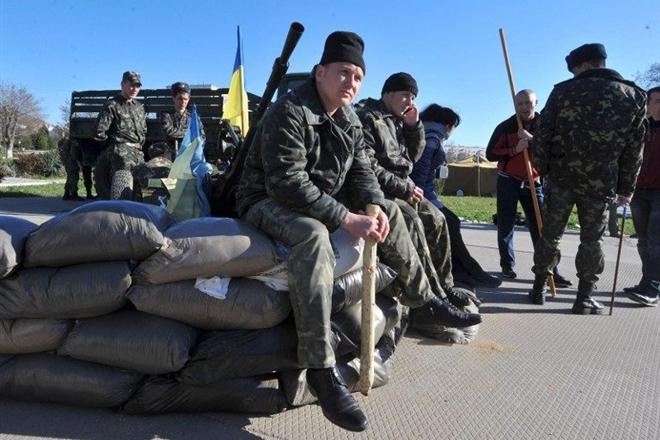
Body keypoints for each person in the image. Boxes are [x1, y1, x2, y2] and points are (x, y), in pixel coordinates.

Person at [236, 32, 480, 432]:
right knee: (313, 237)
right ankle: (319, 367)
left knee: (394, 213)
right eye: (343, 73)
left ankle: (424, 300)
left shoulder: (349, 119)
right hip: (266, 200)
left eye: (358, 77)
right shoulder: (290, 110)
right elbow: (287, 183)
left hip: (317, 198)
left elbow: (362, 172)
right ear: (320, 73)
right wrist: (347, 219)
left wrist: (374, 208)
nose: (350, 83)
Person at [529, 43, 647, 313]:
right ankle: (583, 298)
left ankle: (538, 289)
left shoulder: (563, 92)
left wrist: (544, 169)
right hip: (601, 181)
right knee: (592, 240)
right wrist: (626, 187)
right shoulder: (633, 96)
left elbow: (543, 135)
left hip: (560, 177)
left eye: (574, 69)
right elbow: (634, 148)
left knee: (551, 235)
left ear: (582, 65)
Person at [356, 73, 480, 308]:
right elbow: (369, 166)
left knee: (438, 218)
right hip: (380, 191)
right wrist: (405, 187)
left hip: (400, 187)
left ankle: (444, 286)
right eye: (405, 95)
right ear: (388, 93)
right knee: (413, 221)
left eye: (413, 97)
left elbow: (411, 158)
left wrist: (414, 127)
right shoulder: (369, 118)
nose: (410, 102)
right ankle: (431, 298)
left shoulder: (397, 121)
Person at [486, 89, 571, 287]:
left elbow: (557, 149)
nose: (524, 107)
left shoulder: (546, 125)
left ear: (536, 103)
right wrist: (515, 149)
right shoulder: (506, 126)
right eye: (520, 104)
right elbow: (490, 153)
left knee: (541, 227)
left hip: (534, 181)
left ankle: (551, 270)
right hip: (508, 180)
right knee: (506, 224)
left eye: (527, 103)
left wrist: (533, 140)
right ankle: (507, 265)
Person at [411, 104, 502, 288]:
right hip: (420, 194)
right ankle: (463, 271)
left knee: (452, 221)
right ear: (448, 124)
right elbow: (421, 173)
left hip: (425, 192)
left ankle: (466, 269)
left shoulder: (424, 133)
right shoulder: (432, 138)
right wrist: (427, 200)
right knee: (450, 222)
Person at [625, 85, 660, 306]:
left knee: (656, 242)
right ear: (647, 105)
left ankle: (654, 288)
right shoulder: (641, 128)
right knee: (643, 242)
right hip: (639, 190)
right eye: (656, 100)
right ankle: (646, 281)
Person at [93, 71, 147, 198]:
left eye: (138, 86)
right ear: (122, 84)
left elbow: (143, 130)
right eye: (131, 85)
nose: (135, 89)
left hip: (138, 152)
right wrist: (114, 146)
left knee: (141, 190)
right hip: (121, 152)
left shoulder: (139, 107)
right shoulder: (113, 105)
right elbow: (99, 131)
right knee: (122, 190)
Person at [159, 81, 192, 160]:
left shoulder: (192, 117)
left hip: (189, 151)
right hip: (171, 151)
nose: (183, 102)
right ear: (174, 98)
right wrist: (188, 134)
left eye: (185, 99)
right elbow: (169, 133)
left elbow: (200, 135)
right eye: (180, 98)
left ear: (189, 99)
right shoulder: (166, 115)